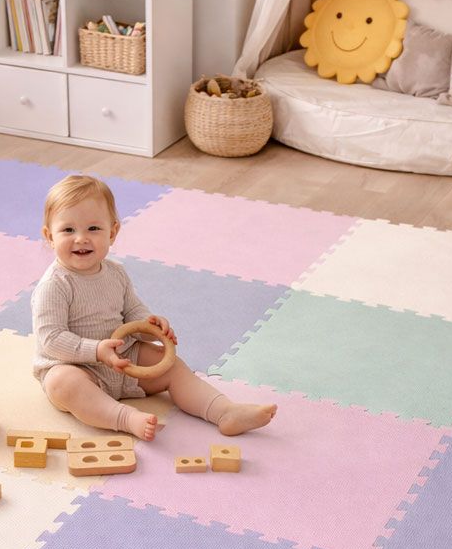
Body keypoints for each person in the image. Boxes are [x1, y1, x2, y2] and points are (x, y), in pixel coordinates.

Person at [31, 174, 277, 441]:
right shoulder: (54, 285)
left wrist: (150, 327)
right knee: (62, 384)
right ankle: (125, 418)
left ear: (112, 233)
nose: (81, 238)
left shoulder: (116, 273)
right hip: (77, 366)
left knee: (171, 364)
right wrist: (97, 350)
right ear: (50, 236)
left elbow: (133, 312)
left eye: (93, 228)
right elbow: (51, 339)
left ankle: (224, 411)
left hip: (124, 359)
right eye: (68, 230)